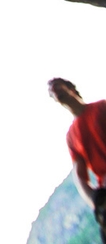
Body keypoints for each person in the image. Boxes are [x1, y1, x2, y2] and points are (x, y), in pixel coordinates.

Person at [48, 78, 106, 242]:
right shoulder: (71, 137)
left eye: (57, 86)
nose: (55, 91)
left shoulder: (101, 107)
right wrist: (96, 202)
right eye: (51, 92)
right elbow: (80, 177)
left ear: (71, 88)